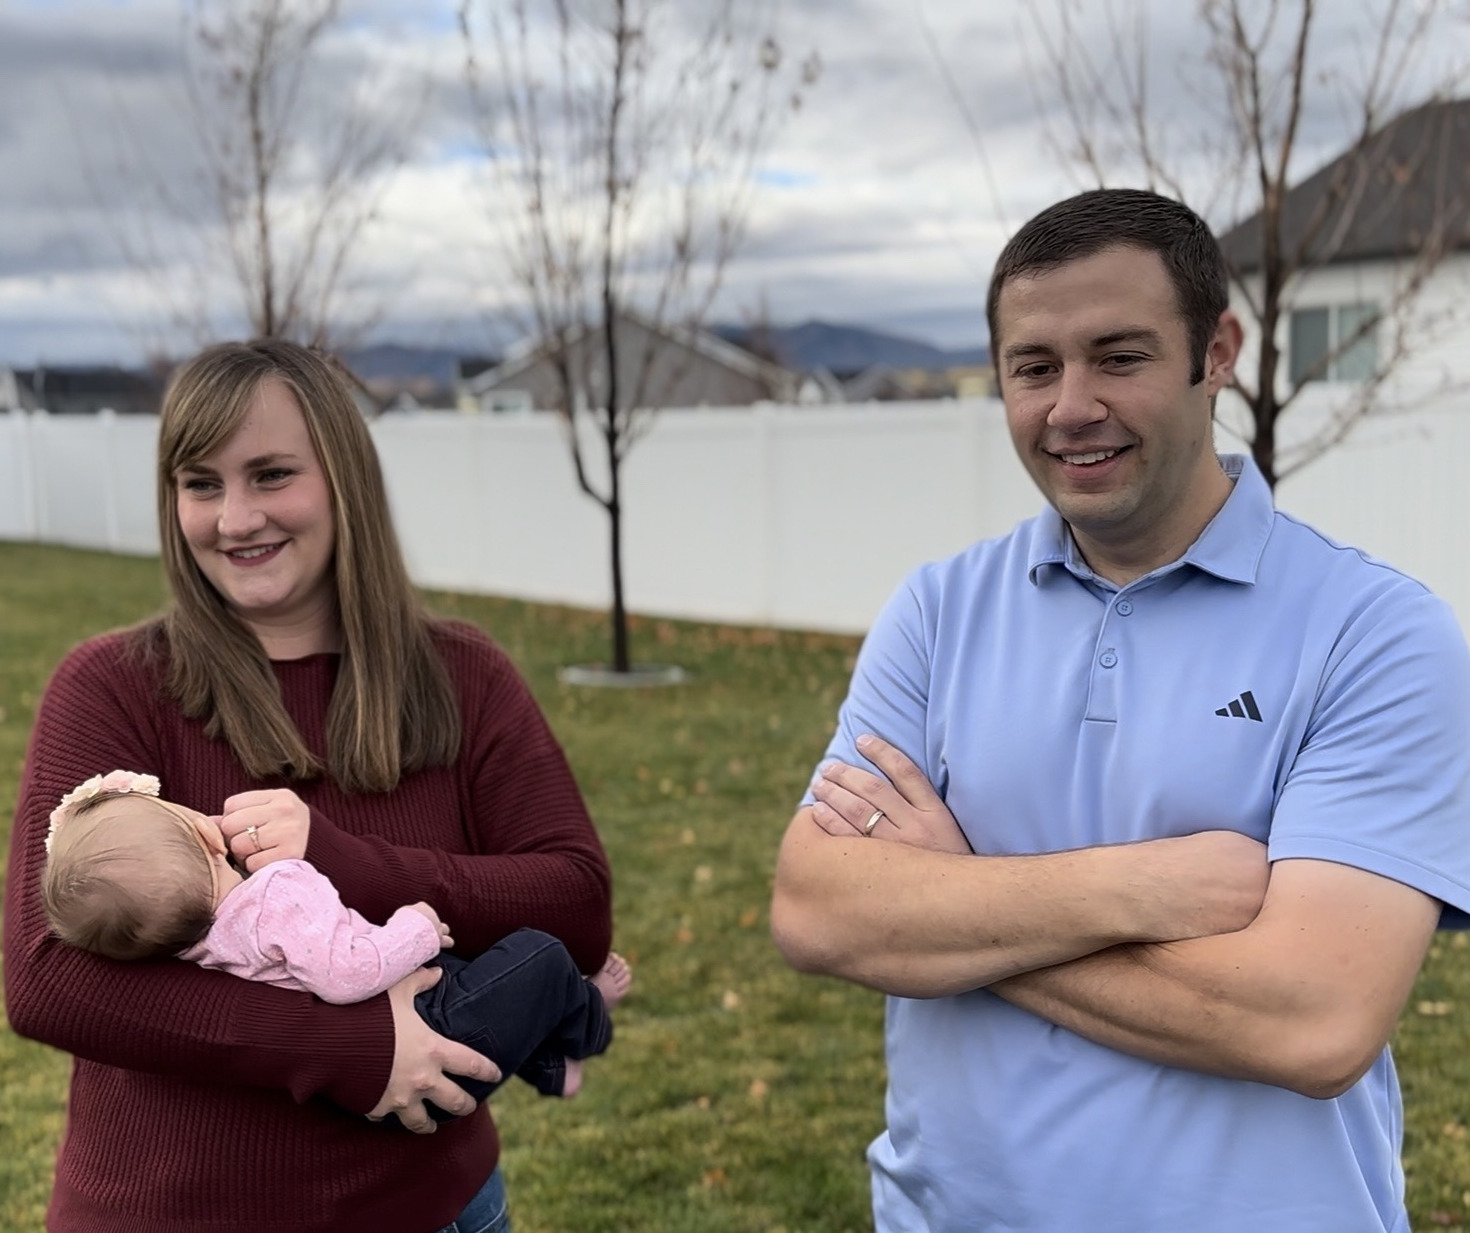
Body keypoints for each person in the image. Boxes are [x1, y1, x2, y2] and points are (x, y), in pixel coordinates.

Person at [771, 188, 1470, 1233]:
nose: (1071, 406)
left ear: (1218, 351)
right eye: (1035, 367)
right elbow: (817, 909)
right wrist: (1143, 886)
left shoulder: (1376, 635)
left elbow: (1313, 1023)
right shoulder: (937, 610)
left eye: (1121, 356)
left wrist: (952, 903)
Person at [4, 338, 614, 1232]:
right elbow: (49, 978)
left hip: (431, 1211)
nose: (235, 517)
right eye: (201, 484)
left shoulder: (462, 675)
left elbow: (578, 908)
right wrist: (353, 1050)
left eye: (271, 474)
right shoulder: (113, 687)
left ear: (343, 478)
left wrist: (338, 860)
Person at [41, 770, 631, 1105]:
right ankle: (588, 1023)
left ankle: (551, 1065)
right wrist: (417, 928)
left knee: (497, 977)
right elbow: (347, 974)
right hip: (433, 1024)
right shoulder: (279, 890)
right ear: (208, 837)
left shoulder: (199, 946)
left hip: (398, 1059)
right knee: (543, 957)